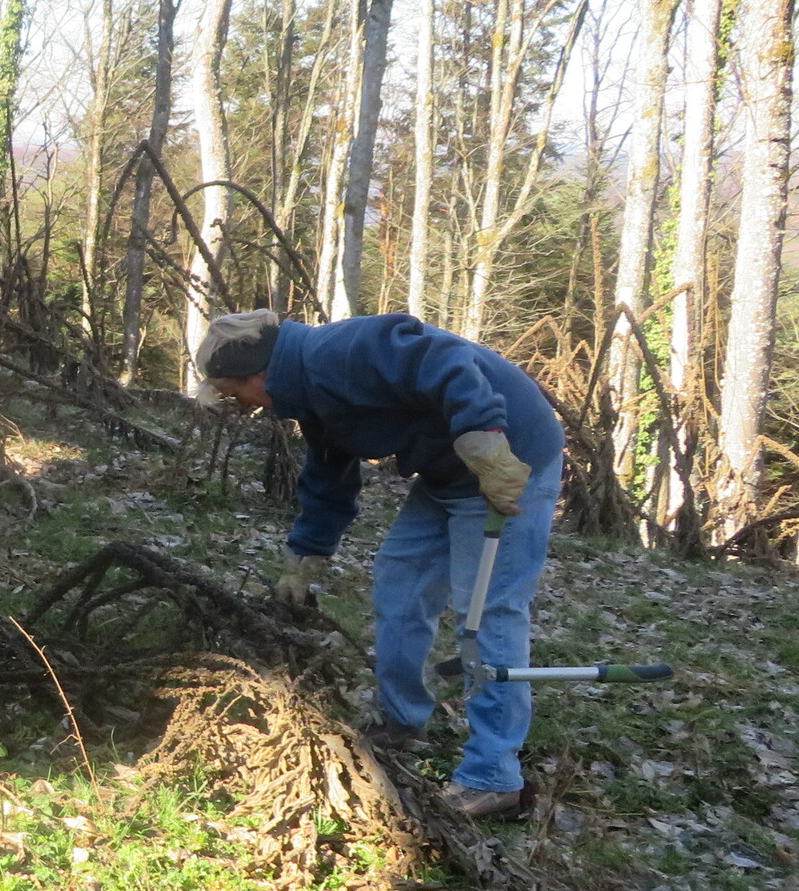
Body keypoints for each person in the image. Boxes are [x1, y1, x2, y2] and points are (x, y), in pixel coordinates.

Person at [191, 308, 564, 820]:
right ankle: (402, 720)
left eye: (236, 394)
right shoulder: (311, 397)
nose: (244, 407)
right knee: (398, 584)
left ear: (258, 374)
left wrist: (487, 441)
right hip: (448, 473)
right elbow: (328, 477)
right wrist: (304, 556)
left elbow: (444, 358)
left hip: (513, 455)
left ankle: (493, 776)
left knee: (488, 614)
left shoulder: (340, 351)